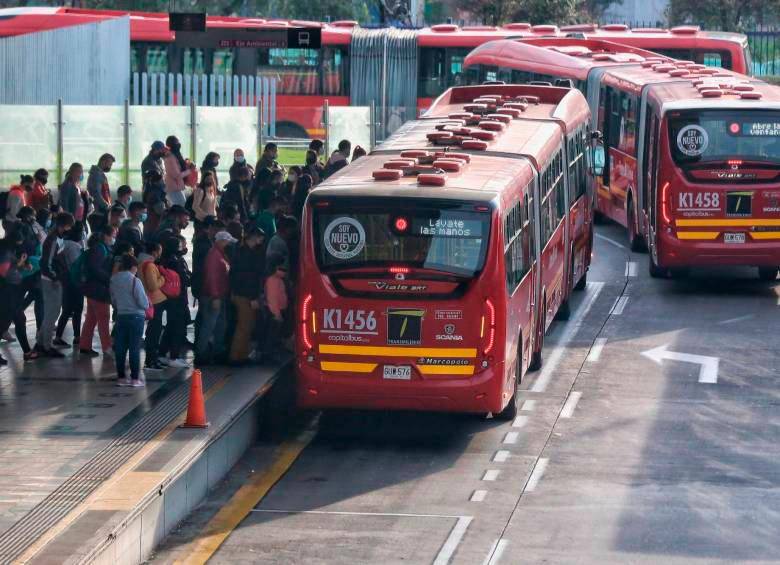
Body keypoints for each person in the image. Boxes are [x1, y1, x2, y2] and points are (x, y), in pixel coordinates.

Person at [36, 212, 74, 357]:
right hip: (51, 281)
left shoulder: (57, 237)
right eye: (69, 225)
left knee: (51, 313)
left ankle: (41, 342)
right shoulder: (52, 239)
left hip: (54, 279)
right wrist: (55, 277)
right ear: (64, 225)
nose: (70, 228)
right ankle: (46, 346)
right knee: (52, 314)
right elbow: (46, 264)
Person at [195, 231, 236, 366]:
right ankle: (201, 354)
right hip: (213, 296)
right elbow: (212, 278)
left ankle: (217, 351)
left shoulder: (220, 254)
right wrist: (216, 296)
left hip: (219, 295)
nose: (229, 244)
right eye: (227, 242)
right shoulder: (214, 256)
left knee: (219, 324)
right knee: (209, 325)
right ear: (220, 241)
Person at [111, 254, 149, 387]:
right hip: (136, 317)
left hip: (121, 316)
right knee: (134, 347)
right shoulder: (135, 281)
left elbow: (114, 300)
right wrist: (147, 304)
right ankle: (135, 379)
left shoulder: (114, 279)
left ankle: (121, 377)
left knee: (120, 348)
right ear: (133, 267)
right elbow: (143, 302)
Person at [229, 227, 266, 365]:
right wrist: (253, 298)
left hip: (241, 293)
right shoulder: (248, 255)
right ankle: (235, 357)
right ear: (254, 237)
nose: (262, 240)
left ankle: (242, 355)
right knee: (244, 326)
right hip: (245, 295)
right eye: (260, 237)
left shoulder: (241, 251)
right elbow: (248, 278)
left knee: (247, 325)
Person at [79, 225, 115, 357]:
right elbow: (95, 269)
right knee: (104, 319)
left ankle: (84, 345)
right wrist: (109, 278)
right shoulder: (100, 249)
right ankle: (107, 347)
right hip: (99, 290)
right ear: (105, 236)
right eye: (113, 235)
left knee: (91, 318)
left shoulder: (101, 248)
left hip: (92, 289)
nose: (114, 238)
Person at [159, 235, 190, 368]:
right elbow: (184, 278)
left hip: (170, 297)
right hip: (178, 298)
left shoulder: (164, 259)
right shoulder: (175, 261)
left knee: (171, 325)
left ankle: (162, 353)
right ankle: (174, 356)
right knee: (178, 326)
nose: (182, 248)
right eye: (179, 245)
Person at [54, 221, 85, 348]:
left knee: (67, 310)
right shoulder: (73, 246)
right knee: (76, 309)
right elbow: (75, 264)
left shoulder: (65, 243)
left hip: (66, 280)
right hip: (74, 281)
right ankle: (75, 336)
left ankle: (62, 336)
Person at [138, 241, 168, 370]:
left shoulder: (141, 264)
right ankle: (151, 360)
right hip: (154, 301)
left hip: (150, 301)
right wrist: (163, 278)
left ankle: (152, 358)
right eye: (159, 250)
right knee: (154, 331)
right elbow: (152, 285)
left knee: (153, 330)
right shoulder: (149, 265)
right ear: (154, 252)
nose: (160, 253)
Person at [262, 257, 290, 363]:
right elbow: (272, 298)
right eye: (281, 269)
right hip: (274, 312)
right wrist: (277, 314)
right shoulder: (273, 280)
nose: (284, 271)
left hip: (277, 310)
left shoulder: (277, 279)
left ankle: (270, 354)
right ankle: (268, 356)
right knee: (271, 335)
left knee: (273, 335)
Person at [163, 135, 191, 207]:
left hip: (177, 186)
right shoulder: (170, 157)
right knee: (180, 208)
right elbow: (176, 175)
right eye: (176, 142)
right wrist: (189, 171)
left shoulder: (175, 155)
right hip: (173, 187)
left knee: (180, 207)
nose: (179, 144)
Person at [87, 153, 115, 217]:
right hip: (99, 211)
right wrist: (106, 206)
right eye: (110, 164)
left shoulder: (99, 174)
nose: (110, 166)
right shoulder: (96, 175)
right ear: (103, 161)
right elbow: (96, 193)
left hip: (101, 209)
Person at [142, 168, 167, 238]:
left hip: (150, 226)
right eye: (161, 179)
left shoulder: (149, 190)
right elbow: (160, 210)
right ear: (156, 181)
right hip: (154, 227)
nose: (163, 182)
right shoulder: (155, 194)